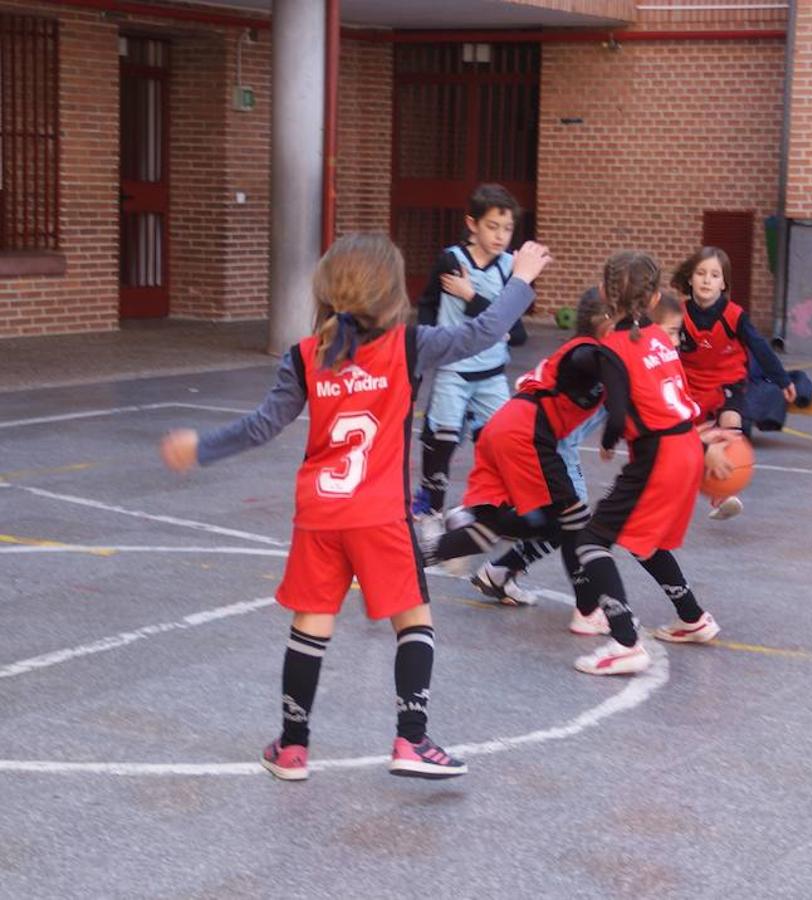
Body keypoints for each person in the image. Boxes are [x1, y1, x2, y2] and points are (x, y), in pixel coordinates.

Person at [159, 233, 552, 780]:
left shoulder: (304, 356)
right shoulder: (409, 344)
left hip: (319, 515)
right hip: (380, 515)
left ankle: (293, 748)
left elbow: (259, 428)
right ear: (391, 295)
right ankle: (411, 741)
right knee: (413, 618)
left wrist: (201, 447)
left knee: (311, 626)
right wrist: (520, 282)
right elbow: (482, 333)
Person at [420, 289, 623, 636]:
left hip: (513, 427)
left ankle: (409, 559)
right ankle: (587, 611)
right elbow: (610, 384)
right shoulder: (586, 352)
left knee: (507, 527)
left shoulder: (592, 354)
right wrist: (613, 428)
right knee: (574, 519)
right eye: (622, 322)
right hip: (526, 432)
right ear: (603, 322)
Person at [471, 289, 688, 611]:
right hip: (551, 445)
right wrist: (612, 437)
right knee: (577, 524)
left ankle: (500, 568)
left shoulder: (635, 357)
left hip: (557, 442)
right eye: (671, 331)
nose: (676, 340)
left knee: (568, 524)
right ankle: (586, 608)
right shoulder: (602, 355)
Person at [572, 251, 734, 676]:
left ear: (606, 293)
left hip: (657, 454)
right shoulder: (662, 338)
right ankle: (694, 618)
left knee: (591, 540)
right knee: (649, 538)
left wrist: (608, 440)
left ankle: (624, 641)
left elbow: (619, 412)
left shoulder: (611, 348)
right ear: (656, 297)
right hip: (686, 445)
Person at [412, 183, 525, 523]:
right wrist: (424, 349)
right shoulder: (452, 260)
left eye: (507, 228)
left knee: (499, 442)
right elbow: (429, 304)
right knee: (441, 437)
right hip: (454, 369)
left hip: (492, 374)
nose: (500, 235)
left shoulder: (512, 268)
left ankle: (496, 504)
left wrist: (471, 297)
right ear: (473, 224)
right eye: (493, 226)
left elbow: (515, 332)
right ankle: (429, 501)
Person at [672, 246, 795, 521]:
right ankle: (687, 485)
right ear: (690, 279)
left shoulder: (734, 315)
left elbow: (760, 347)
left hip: (728, 380)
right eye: (701, 273)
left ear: (724, 283)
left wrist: (782, 378)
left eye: (714, 275)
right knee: (690, 440)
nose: (706, 280)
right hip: (691, 385)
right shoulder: (678, 315)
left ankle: (723, 493)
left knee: (730, 424)